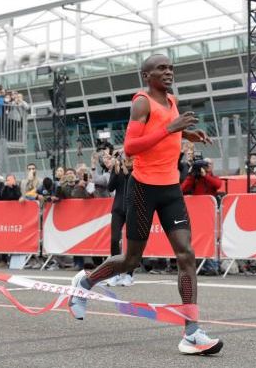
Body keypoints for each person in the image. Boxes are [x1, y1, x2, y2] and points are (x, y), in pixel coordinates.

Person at [67, 54, 222, 355]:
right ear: (146, 75)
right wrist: (171, 127)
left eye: (170, 68)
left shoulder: (170, 100)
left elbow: (166, 128)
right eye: (161, 69)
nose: (168, 72)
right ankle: (85, 283)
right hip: (143, 188)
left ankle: (191, 332)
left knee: (186, 254)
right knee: (130, 260)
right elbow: (131, 146)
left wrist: (186, 132)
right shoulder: (141, 102)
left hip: (170, 188)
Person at [105, 151, 135, 287]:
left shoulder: (137, 169)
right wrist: (116, 173)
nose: (127, 158)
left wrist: (127, 173)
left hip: (133, 209)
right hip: (117, 209)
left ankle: (129, 274)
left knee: (133, 241)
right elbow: (110, 187)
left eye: (129, 156)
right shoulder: (117, 169)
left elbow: (134, 186)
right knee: (114, 239)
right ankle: (115, 273)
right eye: (124, 156)